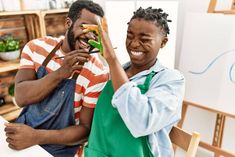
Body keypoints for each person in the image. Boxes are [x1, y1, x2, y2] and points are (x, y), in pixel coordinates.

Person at [4, 1, 108, 157]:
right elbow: (21, 98)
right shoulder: (36, 48)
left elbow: (85, 131)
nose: (90, 36)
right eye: (84, 27)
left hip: (61, 147)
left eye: (96, 32)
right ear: (68, 23)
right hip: (22, 134)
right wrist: (61, 73)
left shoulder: (97, 73)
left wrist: (36, 136)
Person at [84, 7, 185, 157]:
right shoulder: (117, 71)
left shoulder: (171, 80)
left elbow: (142, 121)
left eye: (144, 39)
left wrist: (112, 59)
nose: (134, 44)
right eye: (130, 36)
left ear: (163, 42)